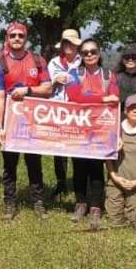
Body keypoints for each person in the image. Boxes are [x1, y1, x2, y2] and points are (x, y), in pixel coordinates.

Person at [0, 21, 52, 220]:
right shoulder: (1, 63)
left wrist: (28, 90)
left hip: (34, 119)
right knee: (10, 163)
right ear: (7, 38)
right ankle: (9, 202)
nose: (17, 38)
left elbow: (48, 88)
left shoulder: (37, 60)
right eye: (13, 35)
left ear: (26, 39)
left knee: (34, 162)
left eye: (21, 35)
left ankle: (38, 201)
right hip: (11, 120)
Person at [64, 37, 120, 229]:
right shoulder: (74, 73)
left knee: (96, 169)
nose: (89, 55)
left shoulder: (108, 75)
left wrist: (90, 98)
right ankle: (80, 204)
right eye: (85, 52)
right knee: (78, 167)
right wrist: (103, 98)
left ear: (99, 53)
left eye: (93, 52)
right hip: (78, 128)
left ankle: (96, 207)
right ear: (80, 55)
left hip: (100, 129)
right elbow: (75, 96)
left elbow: (115, 99)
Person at [105, 94, 136, 227]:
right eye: (132, 107)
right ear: (125, 111)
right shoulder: (115, 130)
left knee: (134, 221)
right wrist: (114, 177)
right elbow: (107, 158)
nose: (135, 110)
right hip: (116, 182)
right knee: (115, 222)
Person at [47, 28, 82, 197]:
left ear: (77, 45)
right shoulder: (53, 63)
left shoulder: (83, 62)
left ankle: (78, 183)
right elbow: (46, 86)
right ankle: (61, 182)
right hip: (58, 110)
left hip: (77, 111)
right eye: (65, 43)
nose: (68, 46)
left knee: (77, 148)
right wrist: (54, 80)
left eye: (71, 43)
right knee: (58, 149)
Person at [115, 43, 136, 115]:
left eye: (134, 57)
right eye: (127, 57)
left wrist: (124, 96)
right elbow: (115, 98)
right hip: (122, 116)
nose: (130, 60)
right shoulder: (117, 78)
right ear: (122, 60)